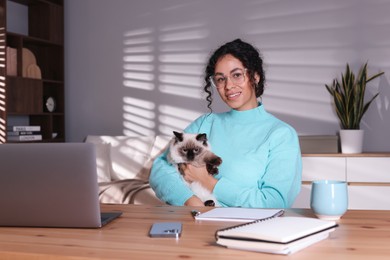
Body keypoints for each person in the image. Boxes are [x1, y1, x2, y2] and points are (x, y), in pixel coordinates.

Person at [149, 39, 302, 208]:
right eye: (220, 79)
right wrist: (192, 203)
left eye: (237, 75)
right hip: (195, 222)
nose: (228, 86)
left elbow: (273, 203)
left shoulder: (281, 134)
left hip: (249, 229)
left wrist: (207, 180)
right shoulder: (205, 123)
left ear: (255, 76)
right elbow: (160, 169)